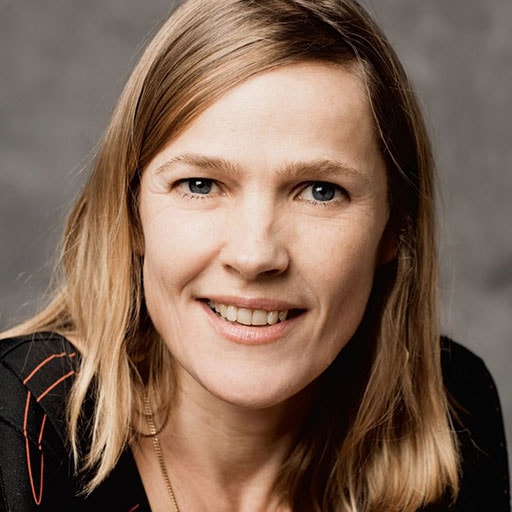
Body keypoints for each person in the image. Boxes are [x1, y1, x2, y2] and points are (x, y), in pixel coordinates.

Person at [0, 0, 509, 510]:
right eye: (200, 184)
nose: (254, 255)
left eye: (320, 191)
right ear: (131, 215)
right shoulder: (20, 422)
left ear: (394, 227)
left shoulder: (451, 409)